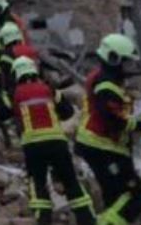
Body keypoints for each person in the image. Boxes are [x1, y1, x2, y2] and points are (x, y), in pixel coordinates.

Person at [74, 34, 141, 225]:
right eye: (126, 61)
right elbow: (114, 120)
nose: (128, 67)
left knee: (114, 197)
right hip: (103, 147)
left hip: (96, 145)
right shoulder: (106, 86)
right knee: (135, 196)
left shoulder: (101, 77)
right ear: (114, 59)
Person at [10, 56, 96, 225]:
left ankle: (43, 220)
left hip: (33, 146)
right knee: (71, 181)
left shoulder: (16, 93)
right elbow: (68, 112)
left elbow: (5, 114)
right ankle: (87, 219)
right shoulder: (49, 89)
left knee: (38, 184)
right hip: (57, 143)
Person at [0, 21, 40, 95]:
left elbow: (5, 77)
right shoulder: (30, 49)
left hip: (19, 91)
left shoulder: (6, 54)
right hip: (37, 87)